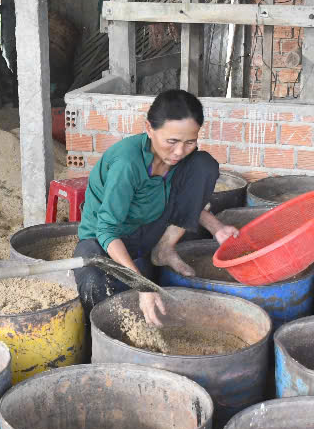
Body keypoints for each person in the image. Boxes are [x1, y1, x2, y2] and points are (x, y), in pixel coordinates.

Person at [73, 89, 237, 327]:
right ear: (149, 128)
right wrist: (142, 285)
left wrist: (217, 228)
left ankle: (164, 250)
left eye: (190, 142)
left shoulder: (179, 162)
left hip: (150, 230)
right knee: (94, 281)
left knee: (204, 165)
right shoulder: (127, 164)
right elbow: (106, 231)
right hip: (104, 241)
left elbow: (182, 201)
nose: (180, 151)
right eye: (172, 141)